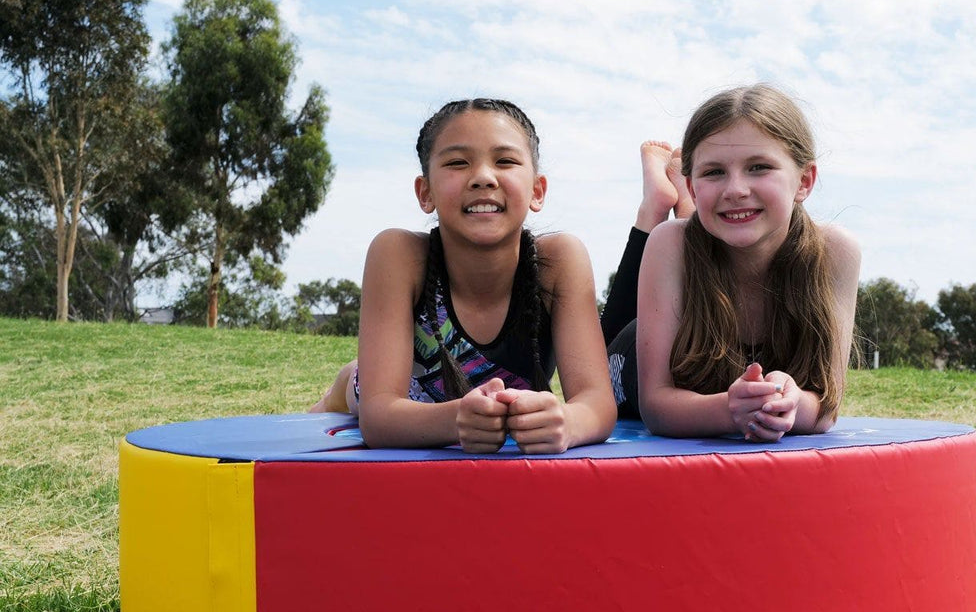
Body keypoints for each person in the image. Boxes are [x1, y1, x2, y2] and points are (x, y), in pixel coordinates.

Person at [312, 98, 616, 453]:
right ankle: (337, 388)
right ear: (425, 193)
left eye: (505, 161)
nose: (483, 178)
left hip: (472, 412)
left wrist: (567, 423)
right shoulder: (400, 255)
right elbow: (378, 416)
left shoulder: (559, 261)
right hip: (402, 396)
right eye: (458, 163)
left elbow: (597, 402)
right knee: (355, 382)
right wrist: (456, 420)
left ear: (537, 190)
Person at [605, 84, 860, 440]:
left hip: (702, 249)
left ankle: (686, 187)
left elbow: (825, 406)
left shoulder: (834, 250)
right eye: (714, 172)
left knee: (717, 220)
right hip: (632, 353)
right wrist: (729, 410)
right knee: (675, 243)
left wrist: (792, 402)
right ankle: (655, 205)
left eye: (759, 167)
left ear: (804, 181)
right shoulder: (669, 244)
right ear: (696, 188)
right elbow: (656, 407)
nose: (736, 188)